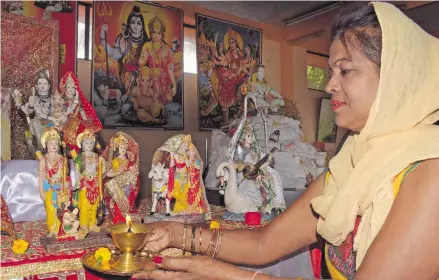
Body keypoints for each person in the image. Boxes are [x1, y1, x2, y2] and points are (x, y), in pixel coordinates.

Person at [134, 3, 439, 280]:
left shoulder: (429, 171)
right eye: (331, 71)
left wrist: (219, 272)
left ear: (397, 78)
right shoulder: (353, 159)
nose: (331, 84)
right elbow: (264, 243)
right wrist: (176, 234)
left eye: (345, 71)